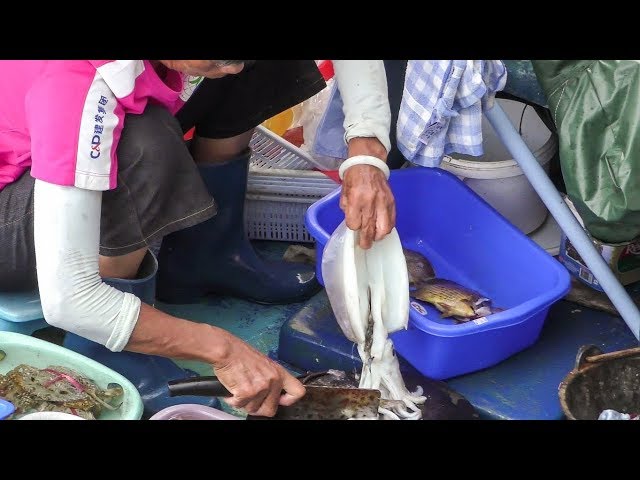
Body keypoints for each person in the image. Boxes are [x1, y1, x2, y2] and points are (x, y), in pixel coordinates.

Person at [0, 60, 395, 417]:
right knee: (144, 143)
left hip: (50, 144)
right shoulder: (75, 87)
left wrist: (366, 154)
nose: (235, 68)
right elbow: (69, 300)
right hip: (13, 213)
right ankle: (105, 348)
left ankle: (208, 256)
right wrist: (222, 349)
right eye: (223, 59)